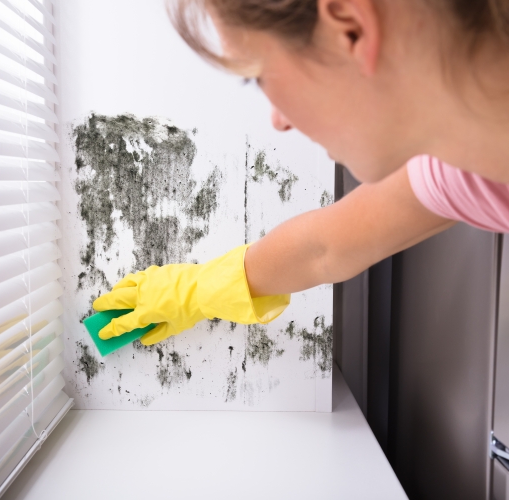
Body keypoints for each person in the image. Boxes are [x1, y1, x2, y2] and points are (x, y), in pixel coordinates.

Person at [93, 0, 509, 345]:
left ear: (350, 28)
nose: (278, 120)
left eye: (258, 76)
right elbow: (324, 248)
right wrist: (197, 291)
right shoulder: (464, 173)